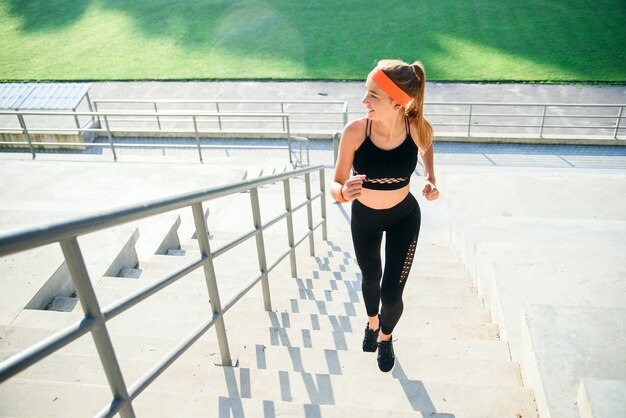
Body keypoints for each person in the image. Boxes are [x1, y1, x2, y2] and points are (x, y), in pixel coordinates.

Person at [330, 59, 439, 372]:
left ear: (397, 103)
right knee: (371, 280)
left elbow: (427, 144)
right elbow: (334, 182)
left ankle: (386, 338)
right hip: (365, 219)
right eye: (366, 92)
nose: (364, 101)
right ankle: (371, 323)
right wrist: (341, 192)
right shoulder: (355, 132)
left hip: (404, 218)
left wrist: (430, 176)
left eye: (372, 96)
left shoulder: (414, 127)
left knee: (392, 296)